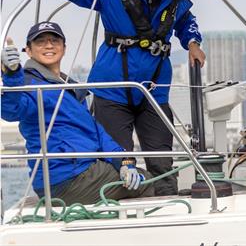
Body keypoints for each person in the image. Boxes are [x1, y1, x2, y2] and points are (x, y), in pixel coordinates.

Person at [58, 0, 205, 196]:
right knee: (118, 161)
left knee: (161, 159)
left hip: (154, 90)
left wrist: (193, 44)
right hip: (112, 89)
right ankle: (122, 218)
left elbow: (185, 20)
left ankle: (168, 209)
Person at [1, 22, 153, 204]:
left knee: (139, 177)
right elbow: (12, 110)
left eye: (54, 40)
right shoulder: (31, 84)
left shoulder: (67, 87)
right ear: (28, 50)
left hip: (78, 172)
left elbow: (97, 134)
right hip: (68, 177)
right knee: (149, 183)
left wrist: (124, 162)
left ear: (64, 48)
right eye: (40, 42)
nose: (49, 45)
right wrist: (11, 75)